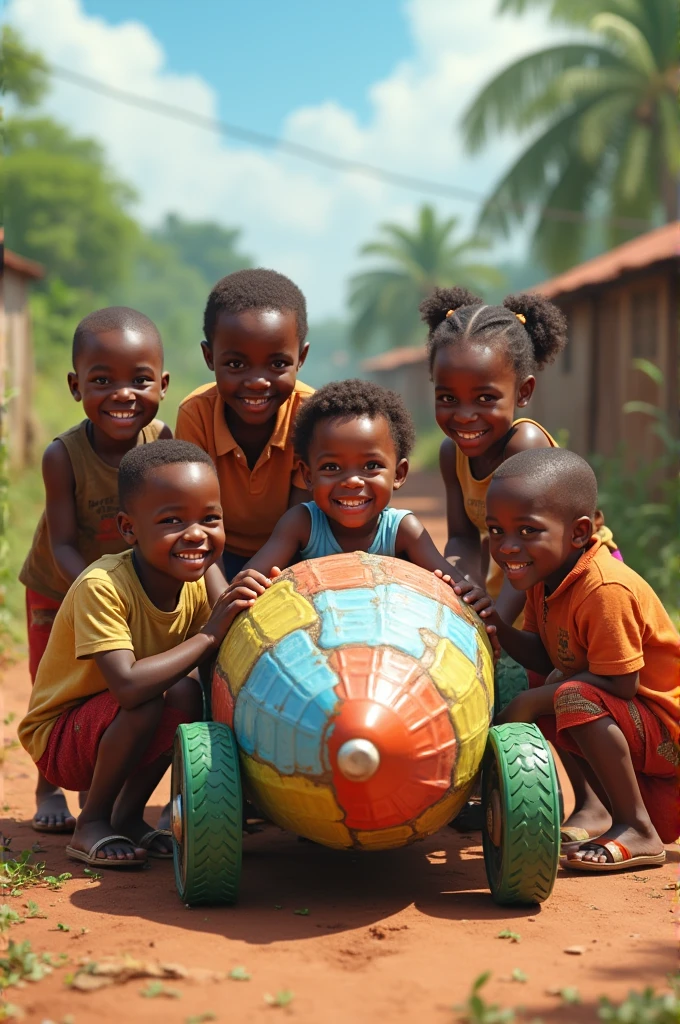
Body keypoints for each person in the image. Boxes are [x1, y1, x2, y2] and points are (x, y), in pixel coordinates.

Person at [18, 440, 272, 867]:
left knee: (188, 695)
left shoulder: (196, 578)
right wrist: (210, 634)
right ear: (128, 528)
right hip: (61, 740)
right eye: (172, 521)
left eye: (210, 518)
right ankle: (91, 822)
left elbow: (224, 651)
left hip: (115, 722)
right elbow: (130, 686)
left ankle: (127, 816)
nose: (196, 534)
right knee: (147, 700)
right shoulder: (103, 586)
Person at [478, 447, 680, 872]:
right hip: (629, 725)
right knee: (547, 677)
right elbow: (541, 652)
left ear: (578, 532)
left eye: (527, 531)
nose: (507, 547)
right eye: (496, 531)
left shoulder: (605, 589)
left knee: (566, 694)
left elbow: (620, 684)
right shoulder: (544, 576)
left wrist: (529, 704)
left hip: (667, 735)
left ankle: (637, 828)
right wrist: (495, 620)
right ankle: (600, 810)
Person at [19, 306, 172, 834]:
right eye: (101, 380)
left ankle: (121, 788)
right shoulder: (63, 455)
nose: (123, 394)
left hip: (124, 591)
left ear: (164, 384)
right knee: (56, 683)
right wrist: (96, 596)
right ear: (74, 385)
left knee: (126, 681)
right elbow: (62, 543)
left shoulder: (163, 443)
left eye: (140, 379)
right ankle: (47, 784)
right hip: (58, 588)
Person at [244, 380, 498, 653]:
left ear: (399, 475)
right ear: (308, 476)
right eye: (332, 467)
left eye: (371, 466)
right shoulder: (301, 525)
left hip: (393, 653)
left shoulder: (402, 530)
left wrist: (475, 603)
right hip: (314, 655)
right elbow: (249, 582)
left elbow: (453, 588)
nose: (352, 481)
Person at [175, 268, 314, 582]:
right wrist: (223, 601)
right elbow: (195, 523)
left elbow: (298, 525)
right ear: (209, 357)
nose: (257, 382)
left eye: (278, 364)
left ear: (300, 358)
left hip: (292, 555)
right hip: (213, 556)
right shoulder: (195, 415)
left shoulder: (309, 414)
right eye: (236, 364)